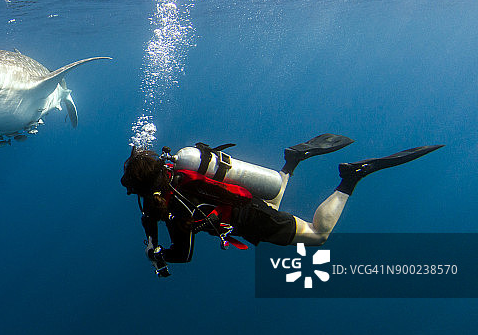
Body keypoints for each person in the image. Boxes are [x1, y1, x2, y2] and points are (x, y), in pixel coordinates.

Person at [120, 134, 443, 277]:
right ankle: (291, 162)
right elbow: (155, 216)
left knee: (318, 236)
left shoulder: (177, 207)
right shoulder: (175, 170)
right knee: (273, 198)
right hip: (244, 198)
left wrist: (158, 255)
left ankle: (350, 178)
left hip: (250, 218)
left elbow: (184, 254)